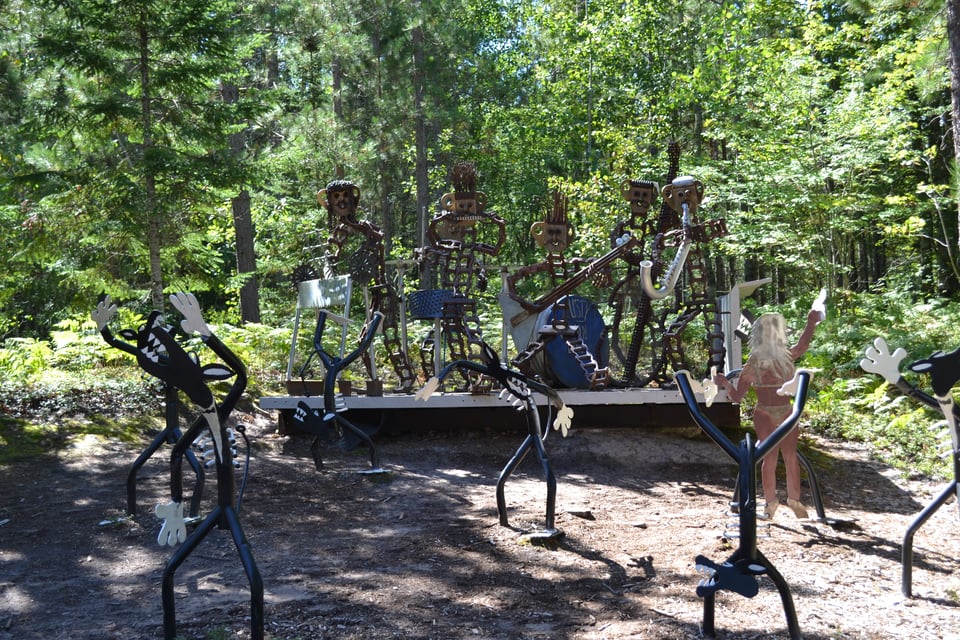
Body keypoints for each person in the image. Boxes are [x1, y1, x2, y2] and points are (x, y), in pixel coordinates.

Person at [713, 296, 824, 519]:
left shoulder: (763, 359)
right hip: (779, 412)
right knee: (783, 456)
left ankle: (779, 502)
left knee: (775, 457)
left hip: (775, 411)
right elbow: (801, 346)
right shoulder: (777, 358)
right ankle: (783, 501)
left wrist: (724, 383)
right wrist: (810, 323)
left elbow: (737, 396)